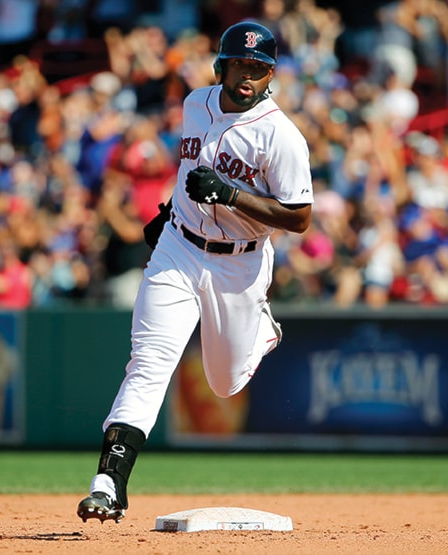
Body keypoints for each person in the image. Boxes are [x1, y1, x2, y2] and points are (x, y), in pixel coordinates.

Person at [76, 21, 314, 523]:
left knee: (224, 383)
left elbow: (298, 217)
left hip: (241, 263)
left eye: (258, 67)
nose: (247, 75)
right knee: (149, 360)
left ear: (270, 73)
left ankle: (261, 329)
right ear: (221, 66)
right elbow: (191, 172)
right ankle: (109, 484)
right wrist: (167, 215)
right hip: (178, 250)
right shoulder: (194, 105)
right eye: (239, 64)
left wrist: (230, 195)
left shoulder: (281, 135)